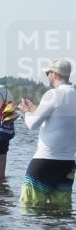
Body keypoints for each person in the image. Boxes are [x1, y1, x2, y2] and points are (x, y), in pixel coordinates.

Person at [17, 58, 76, 209]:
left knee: (29, 209)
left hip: (45, 161)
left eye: (47, 73)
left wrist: (27, 112)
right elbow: (60, 124)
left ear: (54, 74)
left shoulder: (53, 94)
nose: (47, 76)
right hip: (67, 163)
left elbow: (32, 125)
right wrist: (35, 111)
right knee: (62, 211)